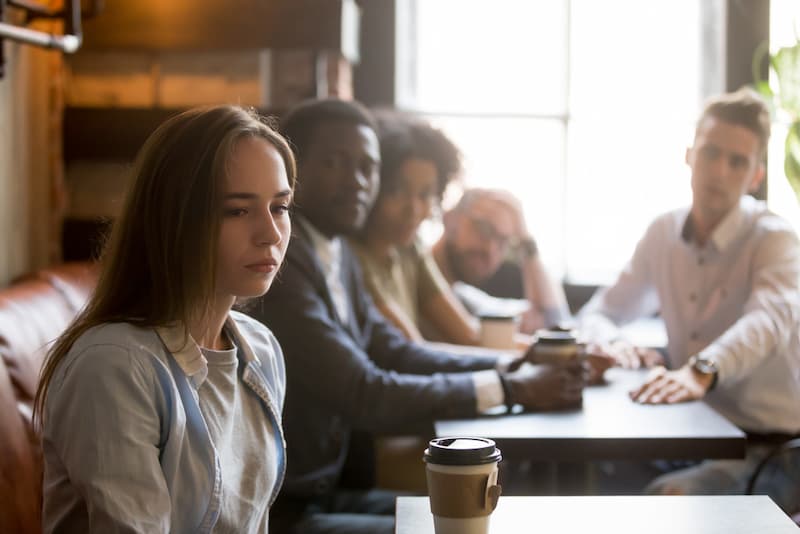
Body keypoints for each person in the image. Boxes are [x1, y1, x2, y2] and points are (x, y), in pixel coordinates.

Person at [247, 98, 585, 534]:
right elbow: (362, 391)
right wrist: (510, 385)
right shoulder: (284, 265)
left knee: (479, 519)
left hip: (330, 488)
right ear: (293, 170)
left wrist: (508, 364)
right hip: (284, 509)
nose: (356, 182)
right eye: (335, 163)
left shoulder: (337, 252)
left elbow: (395, 349)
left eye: (367, 167)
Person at [33, 105, 297, 533]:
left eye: (280, 207)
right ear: (174, 217)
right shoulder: (115, 365)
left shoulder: (260, 349)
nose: (270, 233)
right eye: (237, 210)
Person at [578, 87, 800, 509]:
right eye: (711, 153)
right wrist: (612, 342)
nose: (719, 170)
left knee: (670, 501)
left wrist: (702, 370)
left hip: (775, 449)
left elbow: (768, 321)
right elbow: (601, 311)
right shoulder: (663, 232)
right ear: (688, 155)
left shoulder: (775, 238)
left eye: (738, 162)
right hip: (694, 434)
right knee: (596, 477)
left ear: (756, 176)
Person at [349, 111, 485, 345]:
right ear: (374, 187)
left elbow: (470, 335)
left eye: (425, 194)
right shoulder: (354, 258)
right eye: (397, 191)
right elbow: (414, 350)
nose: (413, 209)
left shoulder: (410, 248)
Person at [432, 188, 570, 333]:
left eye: (502, 241)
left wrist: (526, 241)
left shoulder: (463, 296)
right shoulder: (415, 279)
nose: (490, 250)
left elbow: (553, 324)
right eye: (483, 229)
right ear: (449, 221)